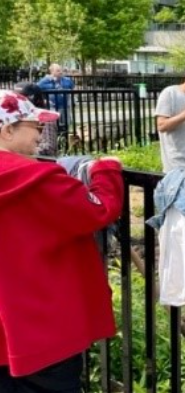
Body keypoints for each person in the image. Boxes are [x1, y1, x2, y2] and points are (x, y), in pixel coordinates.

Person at [0, 89, 124, 393]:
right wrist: (106, 170)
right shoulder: (36, 178)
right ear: (7, 129)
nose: (41, 137)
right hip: (44, 326)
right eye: (36, 127)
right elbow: (97, 209)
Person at [13, 82, 58, 156]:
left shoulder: (45, 119)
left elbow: (48, 149)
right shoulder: (13, 117)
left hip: (37, 163)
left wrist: (21, 153)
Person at [37, 63, 75, 129]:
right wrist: (44, 100)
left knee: (66, 126)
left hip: (65, 107)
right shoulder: (44, 81)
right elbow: (36, 91)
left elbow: (73, 89)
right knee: (54, 126)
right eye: (58, 70)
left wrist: (72, 100)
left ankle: (64, 137)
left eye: (61, 70)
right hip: (52, 108)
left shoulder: (67, 80)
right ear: (52, 71)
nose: (60, 72)